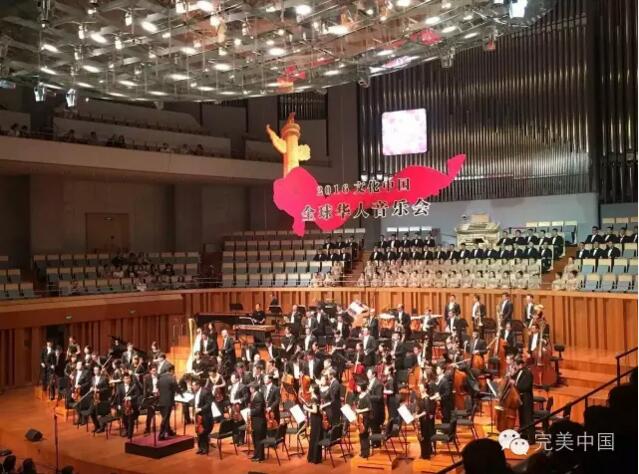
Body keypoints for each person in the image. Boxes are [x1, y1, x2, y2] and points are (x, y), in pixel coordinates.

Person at [157, 366, 180, 440]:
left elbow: (157, 387)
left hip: (160, 401)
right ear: (172, 370)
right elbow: (177, 388)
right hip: (168, 401)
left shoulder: (160, 378)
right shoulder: (171, 378)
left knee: (165, 417)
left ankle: (169, 431)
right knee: (165, 418)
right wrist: (181, 394)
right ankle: (161, 434)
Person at [115, 372, 140, 439]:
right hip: (123, 406)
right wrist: (119, 404)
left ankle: (130, 434)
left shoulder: (134, 385)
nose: (127, 380)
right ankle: (127, 430)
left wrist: (130, 398)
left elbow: (137, 394)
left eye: (128, 378)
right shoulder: (120, 386)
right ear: (123, 379)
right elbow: (118, 396)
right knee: (124, 420)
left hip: (132, 406)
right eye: (126, 378)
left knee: (130, 420)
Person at [192, 379, 213, 455]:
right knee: (198, 431)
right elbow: (195, 404)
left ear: (198, 385)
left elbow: (209, 404)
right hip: (197, 415)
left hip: (205, 415)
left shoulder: (205, 392)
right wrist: (193, 413)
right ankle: (200, 448)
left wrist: (200, 409)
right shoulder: (195, 392)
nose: (192, 387)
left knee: (204, 432)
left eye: (193, 385)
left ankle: (205, 449)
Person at [414, 383, 435, 459]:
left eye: (421, 387)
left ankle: (426, 455)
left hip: (425, 421)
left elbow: (426, 411)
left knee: (425, 437)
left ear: (425, 389)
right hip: (422, 420)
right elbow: (421, 409)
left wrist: (418, 416)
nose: (420, 387)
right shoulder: (422, 397)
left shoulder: (426, 398)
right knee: (423, 437)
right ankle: (424, 453)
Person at [304, 384, 323, 464]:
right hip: (318, 419)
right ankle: (317, 458)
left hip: (315, 420)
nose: (309, 388)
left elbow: (315, 410)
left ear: (313, 389)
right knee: (316, 437)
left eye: (311, 387)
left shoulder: (313, 398)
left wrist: (306, 408)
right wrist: (308, 405)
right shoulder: (317, 396)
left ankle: (313, 458)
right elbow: (317, 407)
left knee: (314, 438)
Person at [248, 382, 266, 462]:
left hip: (259, 421)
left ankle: (260, 456)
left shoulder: (258, 395)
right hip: (255, 421)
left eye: (250, 387)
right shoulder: (254, 395)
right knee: (255, 438)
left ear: (253, 388)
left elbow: (258, 410)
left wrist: (250, 411)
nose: (249, 389)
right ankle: (256, 454)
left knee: (259, 439)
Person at [355, 383, 372, 458]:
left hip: (365, 417)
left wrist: (360, 410)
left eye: (358, 386)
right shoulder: (359, 396)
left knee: (365, 433)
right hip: (360, 417)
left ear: (361, 387)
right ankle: (362, 451)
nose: (357, 387)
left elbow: (369, 408)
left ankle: (366, 452)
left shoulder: (367, 396)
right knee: (361, 434)